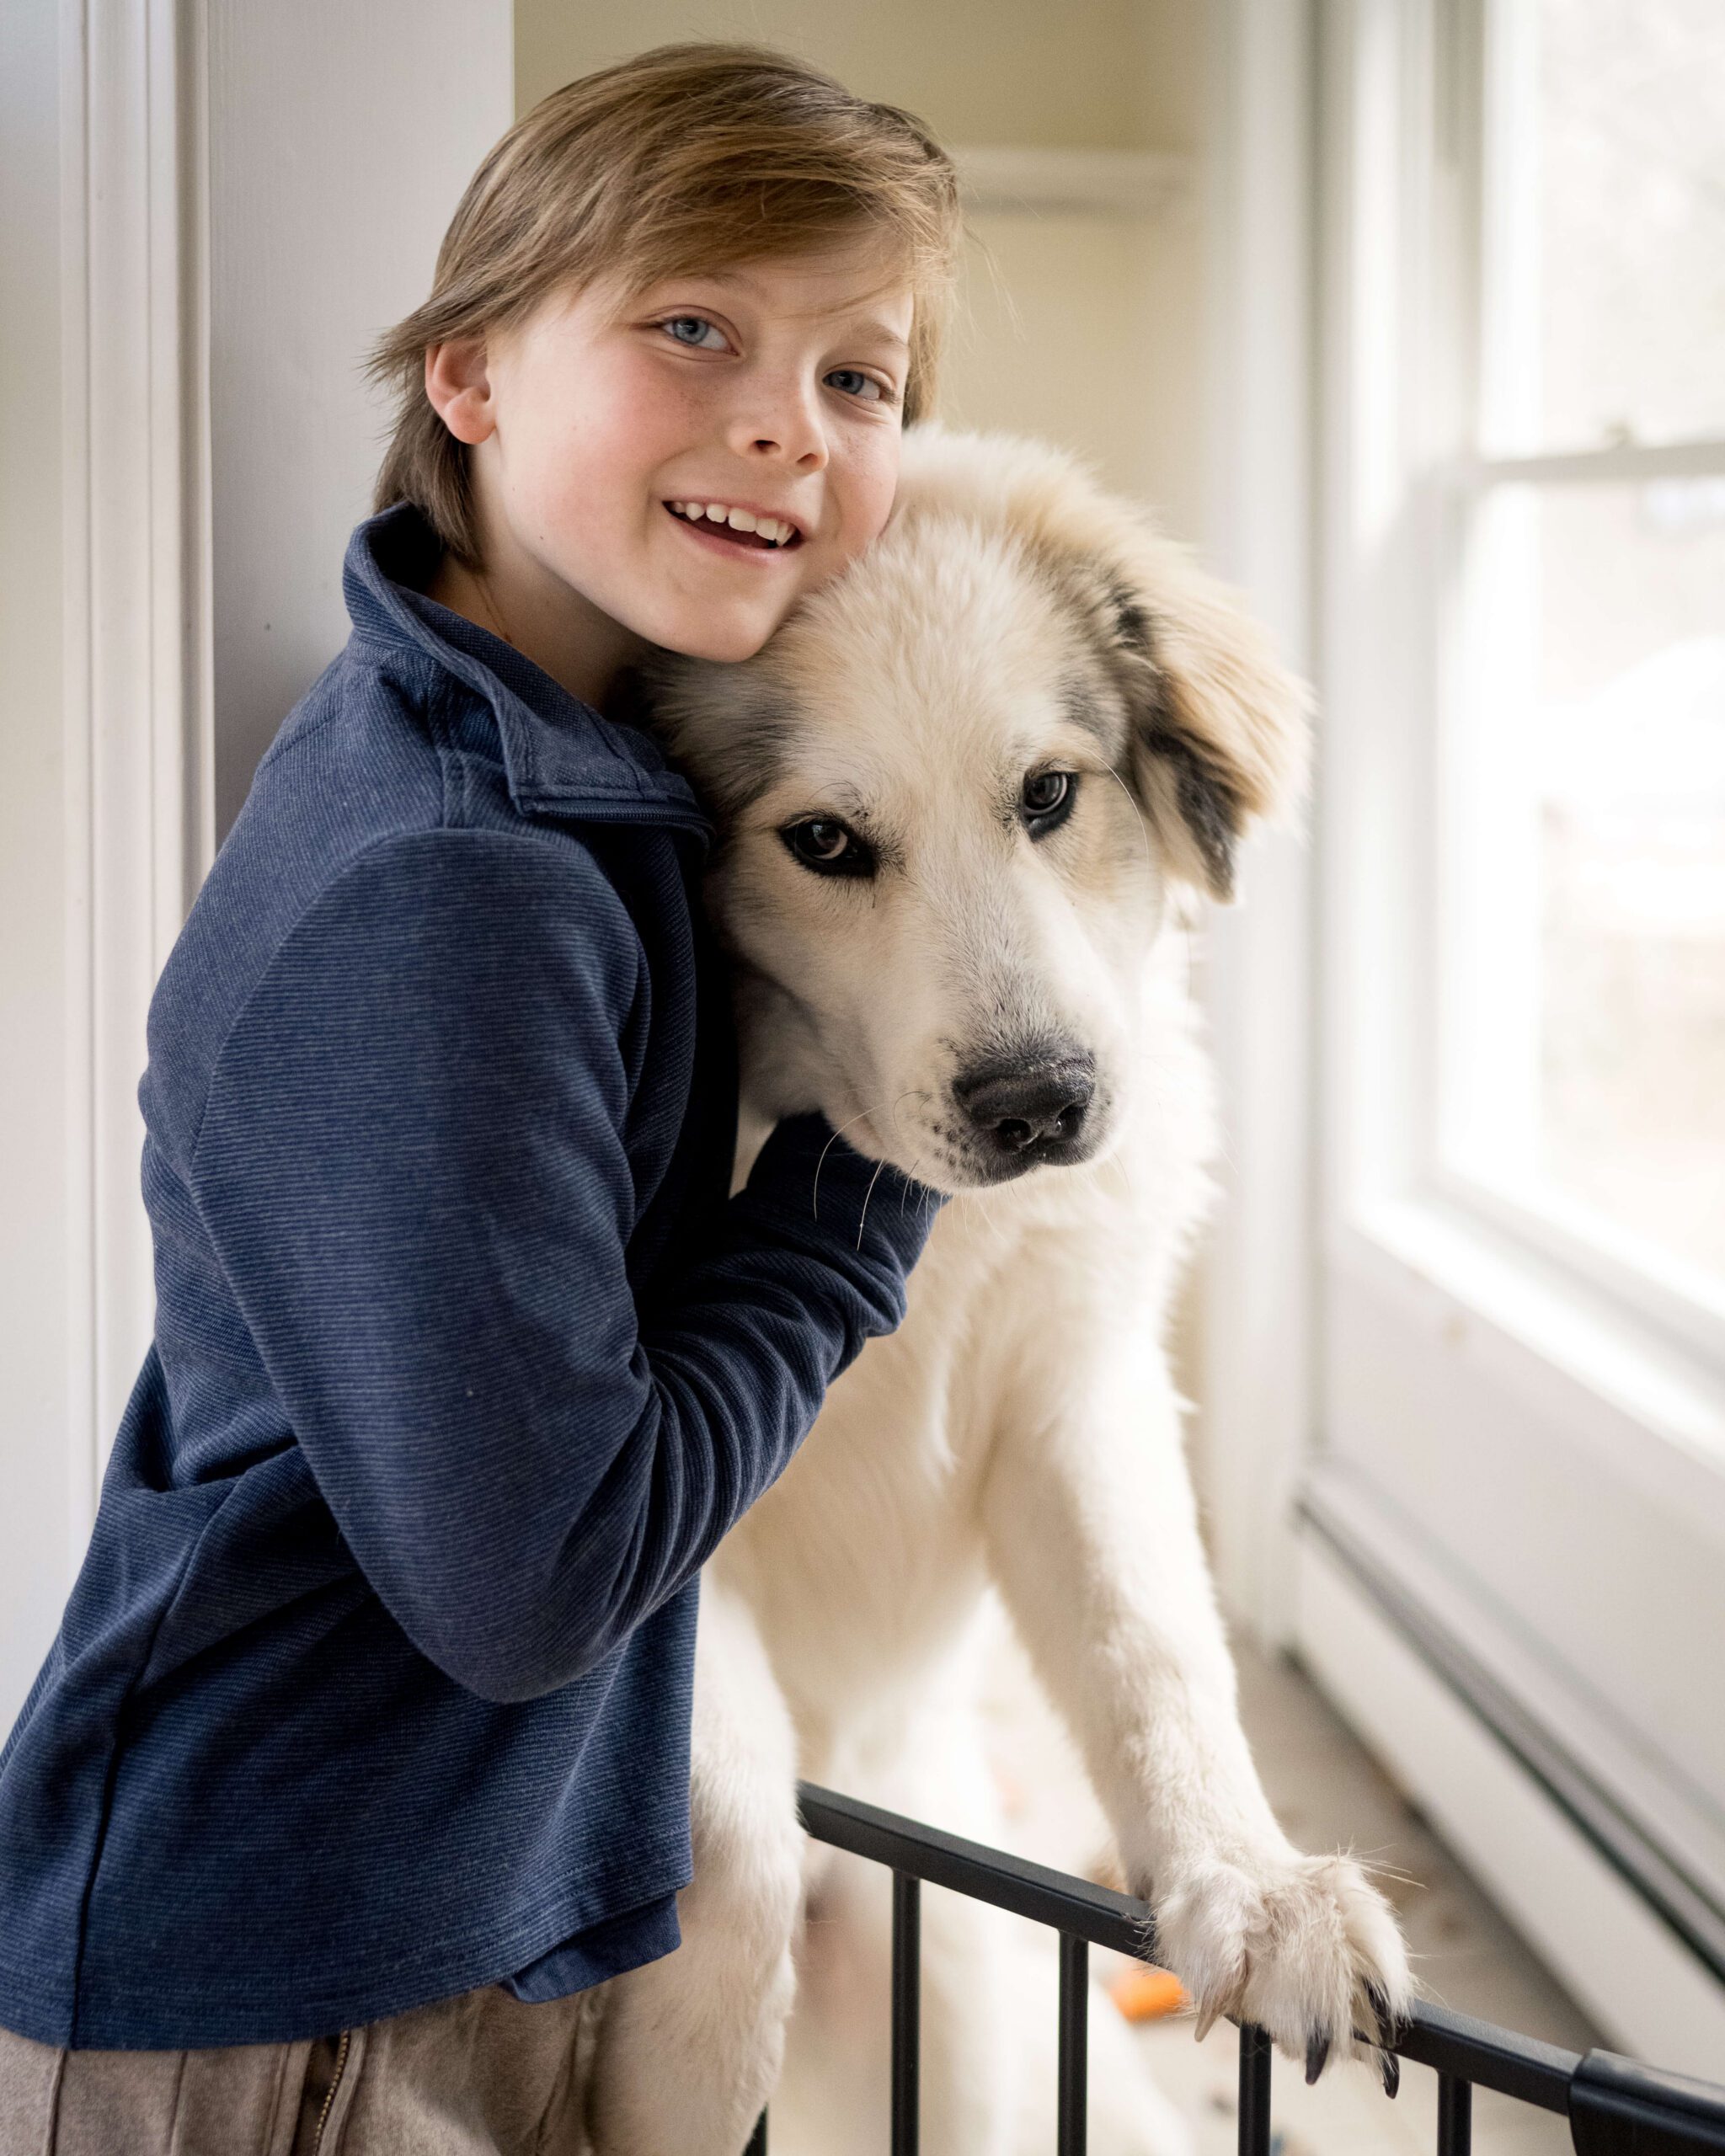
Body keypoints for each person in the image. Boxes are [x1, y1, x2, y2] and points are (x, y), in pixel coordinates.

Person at [0, 44, 961, 2152]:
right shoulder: (453, 881)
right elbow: (530, 1582)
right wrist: (861, 1185)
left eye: (861, 378)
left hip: (425, 1908)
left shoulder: (574, 772)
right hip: (273, 1993)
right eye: (693, 324)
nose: (787, 424)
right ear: (469, 377)